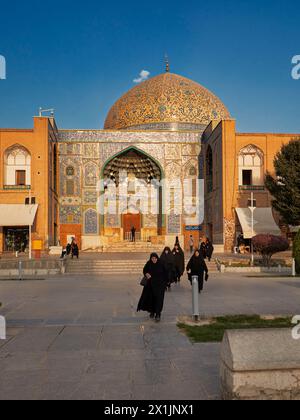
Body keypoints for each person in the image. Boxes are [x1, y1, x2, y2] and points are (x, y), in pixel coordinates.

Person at [137, 253, 167, 322]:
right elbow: (145, 270)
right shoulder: (149, 263)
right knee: (151, 299)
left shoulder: (161, 264)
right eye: (152, 258)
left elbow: (165, 273)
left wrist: (165, 283)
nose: (154, 260)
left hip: (159, 286)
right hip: (150, 286)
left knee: (159, 300)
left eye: (155, 258)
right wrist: (146, 273)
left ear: (157, 258)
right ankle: (152, 312)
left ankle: (158, 314)